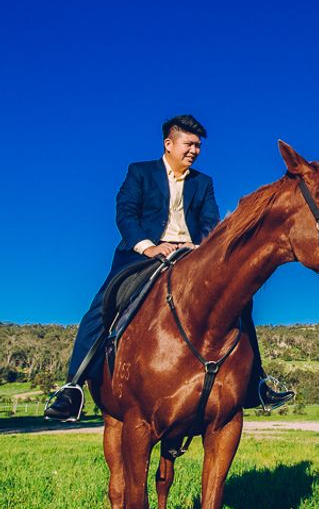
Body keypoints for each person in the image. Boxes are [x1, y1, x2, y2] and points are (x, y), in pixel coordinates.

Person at [45, 114, 293, 422]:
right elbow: (126, 214)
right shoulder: (140, 172)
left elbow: (209, 223)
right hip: (142, 256)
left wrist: (199, 249)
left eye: (198, 146)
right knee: (100, 307)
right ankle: (73, 387)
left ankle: (259, 383)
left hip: (192, 256)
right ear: (169, 144)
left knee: (240, 300)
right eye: (189, 144)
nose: (194, 150)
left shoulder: (203, 183)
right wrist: (148, 246)